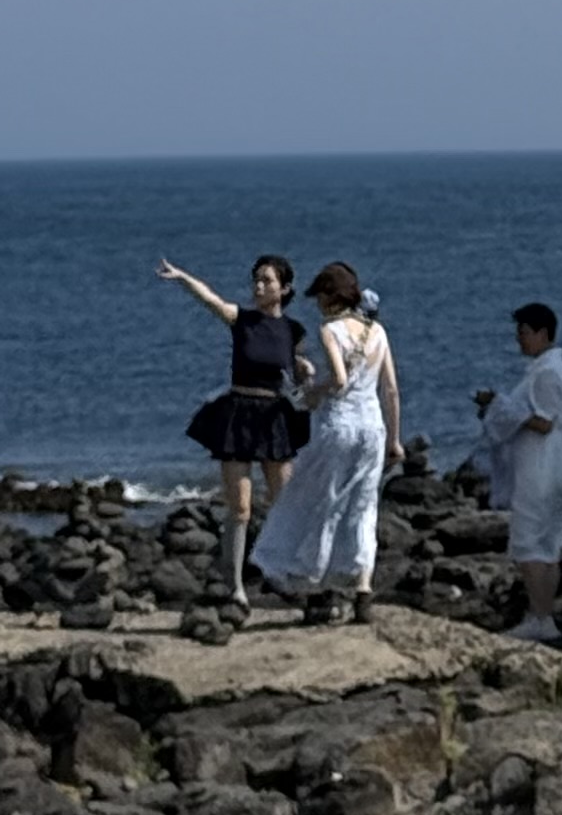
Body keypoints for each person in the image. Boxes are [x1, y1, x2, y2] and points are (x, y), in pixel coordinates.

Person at [159, 252, 311, 608]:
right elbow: (209, 299)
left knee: (283, 502)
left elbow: (294, 373)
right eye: (256, 279)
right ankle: (235, 586)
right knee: (240, 507)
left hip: (275, 417)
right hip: (239, 414)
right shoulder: (241, 319)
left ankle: (279, 573)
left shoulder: (293, 330)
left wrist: (305, 371)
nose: (258, 286)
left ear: (284, 288)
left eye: (266, 280)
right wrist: (183, 277)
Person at [252, 260, 400, 620]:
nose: (317, 303)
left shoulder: (330, 329)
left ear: (331, 296)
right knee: (363, 506)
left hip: (339, 426)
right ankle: (362, 589)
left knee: (319, 500)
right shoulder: (377, 331)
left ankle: (311, 578)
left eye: (320, 296)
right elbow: (391, 390)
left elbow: (338, 379)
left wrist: (312, 393)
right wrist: (394, 440)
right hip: (372, 428)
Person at [473, 301, 562, 641]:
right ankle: (543, 614)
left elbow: (543, 422)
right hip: (552, 471)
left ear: (542, 333)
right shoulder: (546, 370)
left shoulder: (548, 373)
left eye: (523, 333)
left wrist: (498, 406)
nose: (519, 339)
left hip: (542, 472)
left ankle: (540, 616)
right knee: (547, 546)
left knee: (529, 544)